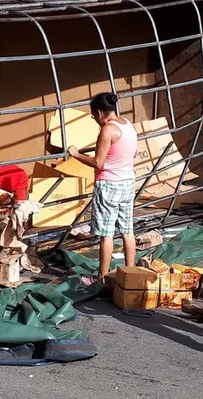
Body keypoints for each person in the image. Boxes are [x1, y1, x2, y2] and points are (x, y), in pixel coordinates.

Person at [68, 92, 138, 283]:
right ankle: (131, 275)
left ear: (99, 113)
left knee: (107, 235)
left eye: (93, 117)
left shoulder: (107, 130)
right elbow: (133, 152)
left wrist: (76, 154)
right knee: (127, 231)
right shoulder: (128, 125)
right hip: (128, 182)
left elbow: (98, 162)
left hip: (109, 184)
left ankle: (102, 277)